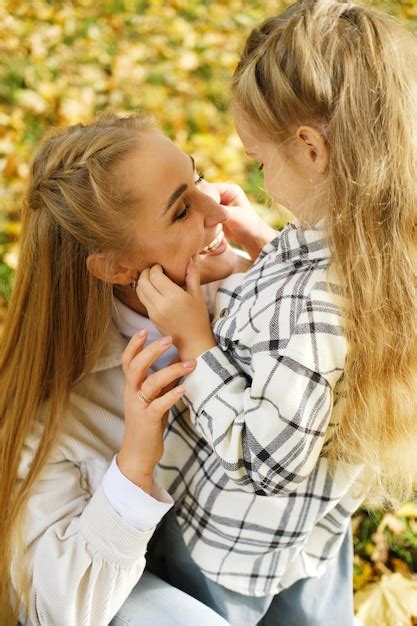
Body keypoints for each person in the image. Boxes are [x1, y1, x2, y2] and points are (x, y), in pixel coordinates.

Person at [137, 1, 417, 625]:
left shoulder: (319, 312)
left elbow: (261, 460)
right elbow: (301, 327)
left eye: (262, 162)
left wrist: (193, 342)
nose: (258, 179)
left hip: (229, 545)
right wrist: (256, 246)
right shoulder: (367, 244)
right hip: (304, 531)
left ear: (312, 150)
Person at [0, 112, 259, 625]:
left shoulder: (237, 280)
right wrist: (134, 462)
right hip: (135, 577)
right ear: (117, 267)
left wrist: (268, 254)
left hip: (256, 553)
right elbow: (55, 607)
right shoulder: (57, 403)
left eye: (198, 176)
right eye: (182, 211)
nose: (216, 210)